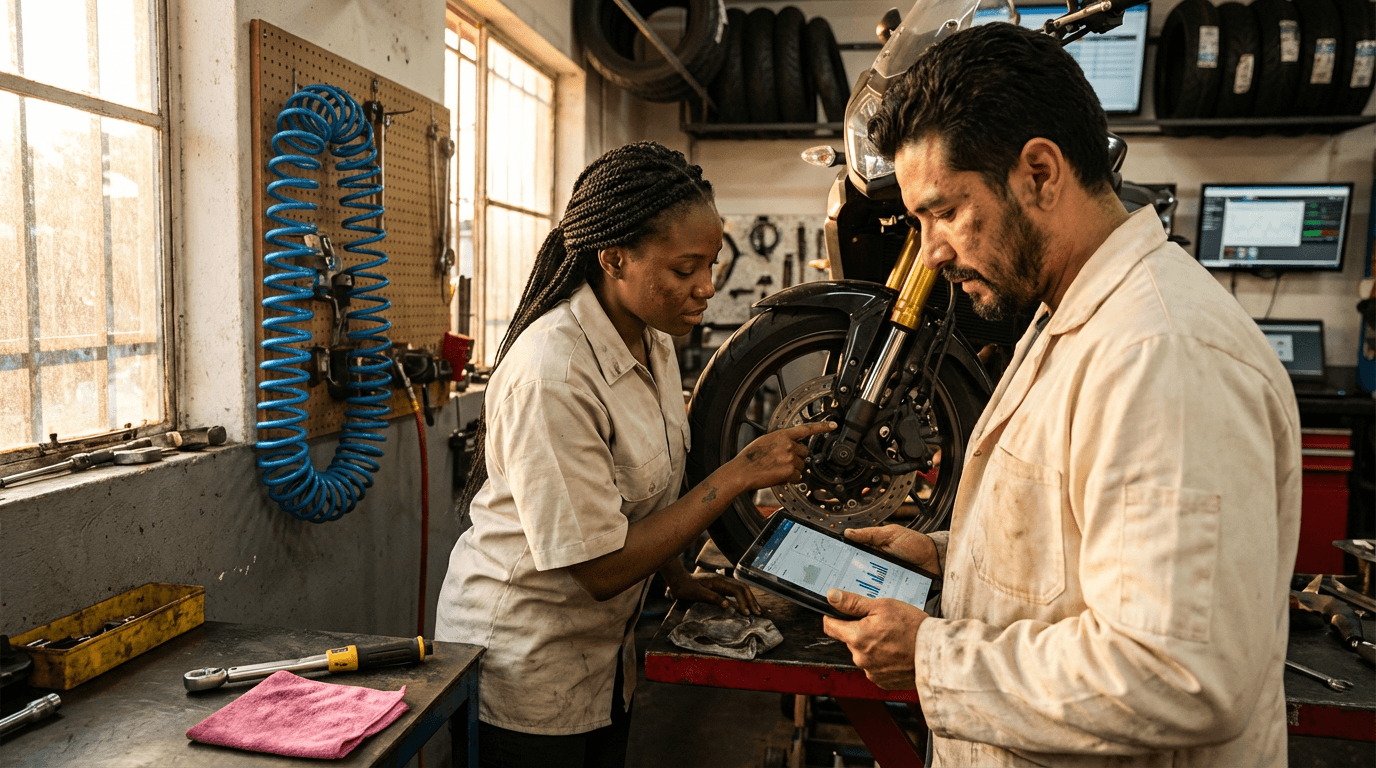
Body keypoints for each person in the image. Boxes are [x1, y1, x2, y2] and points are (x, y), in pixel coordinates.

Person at [821, 23, 1301, 767]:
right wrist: (951, 559)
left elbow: (1179, 674)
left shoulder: (1161, 355)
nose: (933, 251)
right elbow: (1079, 536)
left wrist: (931, 657)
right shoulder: (1072, 311)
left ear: (1040, 174)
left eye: (944, 212)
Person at [434, 141, 833, 768]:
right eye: (684, 269)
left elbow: (643, 492)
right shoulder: (554, 373)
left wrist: (677, 576)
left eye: (712, 263)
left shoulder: (652, 337)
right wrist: (738, 476)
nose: (706, 287)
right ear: (615, 259)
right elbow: (599, 568)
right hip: (525, 669)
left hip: (599, 661)